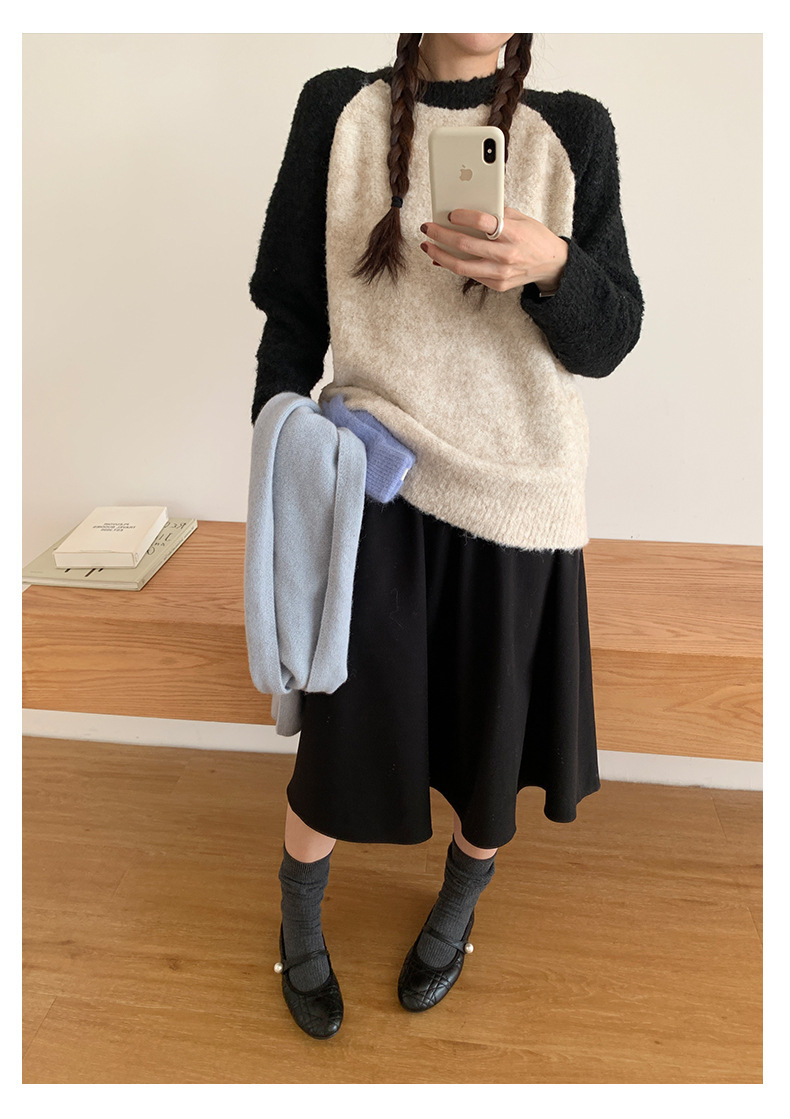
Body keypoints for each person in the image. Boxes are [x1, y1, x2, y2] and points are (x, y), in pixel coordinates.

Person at [248, 33, 644, 1039]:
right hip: (373, 479)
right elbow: (290, 310)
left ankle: (458, 907)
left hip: (520, 494)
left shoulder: (573, 130)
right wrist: (277, 456)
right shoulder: (337, 110)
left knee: (488, 745)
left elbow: (609, 340)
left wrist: (553, 267)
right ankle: (297, 916)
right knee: (338, 744)